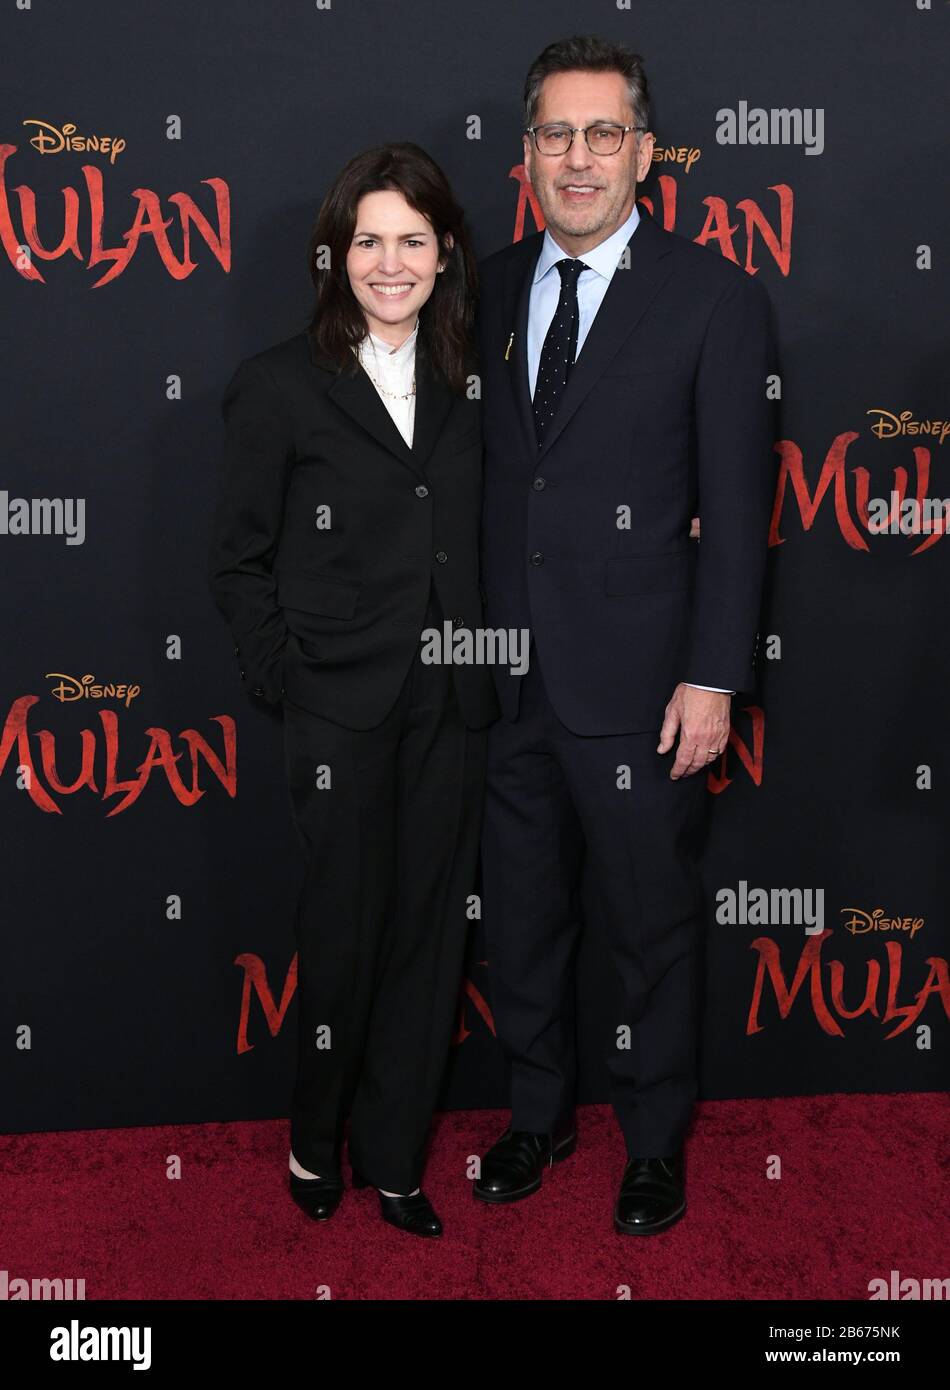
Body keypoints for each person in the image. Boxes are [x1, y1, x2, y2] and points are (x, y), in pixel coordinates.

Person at [473, 35, 777, 1233]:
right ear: (528, 152)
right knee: (523, 924)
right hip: (501, 685)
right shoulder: (486, 288)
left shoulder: (711, 298)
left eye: (604, 133)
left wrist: (712, 678)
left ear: (644, 152)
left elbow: (742, 514)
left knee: (650, 930)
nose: (580, 157)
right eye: (557, 133)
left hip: (649, 689)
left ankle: (652, 1141)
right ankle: (534, 1116)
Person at [208, 143, 498, 1238]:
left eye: (412, 240)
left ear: (444, 255)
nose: (390, 261)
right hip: (336, 703)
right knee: (342, 933)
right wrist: (288, 678)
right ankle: (311, 1137)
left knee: (429, 942)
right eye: (368, 239)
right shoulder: (280, 386)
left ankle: (393, 1158)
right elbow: (236, 561)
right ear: (335, 253)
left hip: (453, 703)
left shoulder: (475, 378)